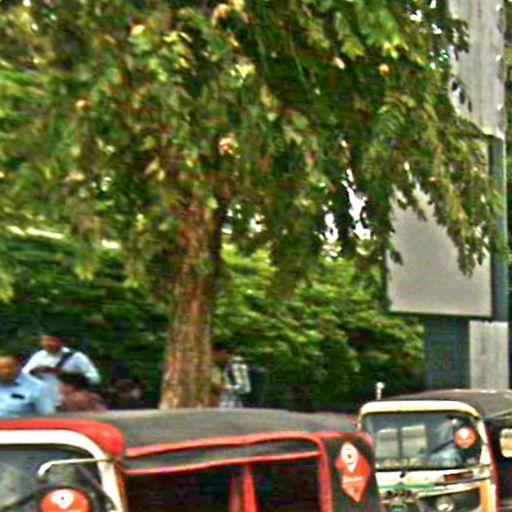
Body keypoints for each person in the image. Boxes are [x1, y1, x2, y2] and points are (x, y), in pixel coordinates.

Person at [23, 334, 101, 408]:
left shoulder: (76, 357)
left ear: (62, 342)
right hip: (42, 402)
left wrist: (63, 374)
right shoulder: (38, 356)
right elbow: (23, 376)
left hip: (69, 403)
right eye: (44, 341)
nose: (48, 344)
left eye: (52, 341)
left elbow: (95, 379)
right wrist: (34, 371)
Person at [0, 352, 55, 418]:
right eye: (1, 368)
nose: (5, 372)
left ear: (19, 367)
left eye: (9, 368)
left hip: (17, 423)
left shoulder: (38, 387)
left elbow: (47, 416)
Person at [212, 343, 251, 409]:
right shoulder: (228, 364)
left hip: (233, 404)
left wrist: (222, 387)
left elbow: (244, 388)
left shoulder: (236, 362)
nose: (213, 357)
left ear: (223, 351)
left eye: (213, 354)